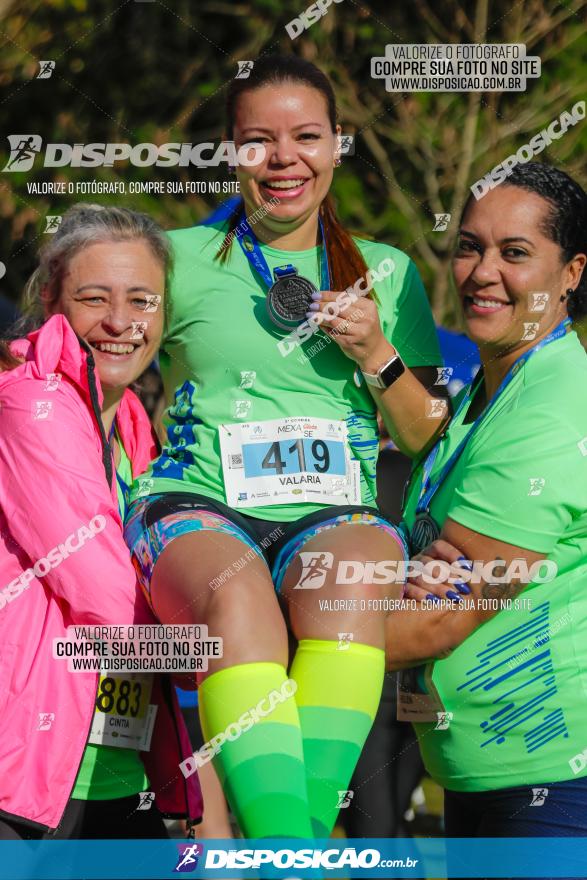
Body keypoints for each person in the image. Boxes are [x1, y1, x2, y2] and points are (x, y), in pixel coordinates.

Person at [124, 54, 447, 839]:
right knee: (237, 596)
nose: (282, 160)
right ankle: (290, 847)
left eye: (305, 137)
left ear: (338, 144)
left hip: (333, 513)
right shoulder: (174, 260)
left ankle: (283, 843)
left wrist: (376, 352)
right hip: (200, 503)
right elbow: (97, 359)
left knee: (355, 576)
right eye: (256, 140)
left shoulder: (389, 272)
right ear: (228, 150)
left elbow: (424, 435)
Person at [386, 162, 587, 838]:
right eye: (469, 246)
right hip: (480, 774)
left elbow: (437, 620)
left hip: (550, 783)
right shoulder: (489, 388)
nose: (480, 271)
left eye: (515, 253)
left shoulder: (550, 407)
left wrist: (250, 633)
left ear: (571, 274)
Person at [0, 204, 201, 839]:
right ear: (51, 300)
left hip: (120, 767)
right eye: (94, 298)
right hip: (24, 764)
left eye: (142, 300)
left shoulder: (135, 424)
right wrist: (238, 640)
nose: (121, 322)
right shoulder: (30, 402)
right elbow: (107, 590)